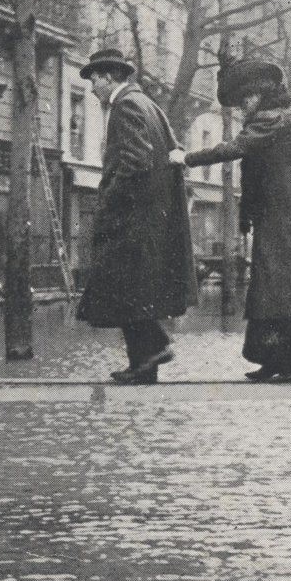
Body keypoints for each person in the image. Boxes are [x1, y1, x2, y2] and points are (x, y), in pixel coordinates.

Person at [170, 60, 291, 382]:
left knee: (283, 285)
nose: (243, 106)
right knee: (287, 285)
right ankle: (284, 360)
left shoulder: (271, 119)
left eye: (246, 99)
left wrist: (186, 158)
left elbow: (235, 148)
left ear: (261, 95)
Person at [75, 48, 198, 383]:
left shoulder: (125, 105)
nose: (92, 88)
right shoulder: (150, 105)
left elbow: (135, 161)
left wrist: (108, 202)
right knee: (137, 291)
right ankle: (145, 366)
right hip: (152, 218)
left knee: (122, 288)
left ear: (108, 76)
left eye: (94, 79)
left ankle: (154, 349)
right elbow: (173, 151)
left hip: (131, 217)